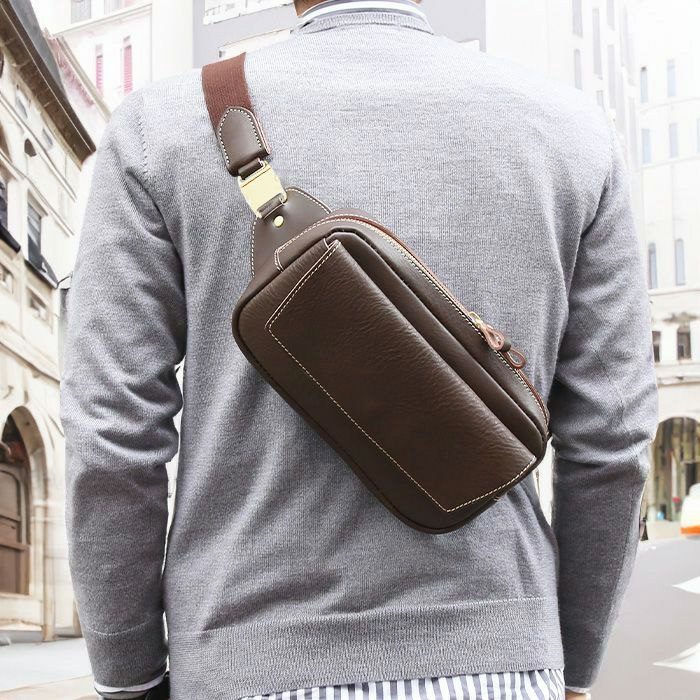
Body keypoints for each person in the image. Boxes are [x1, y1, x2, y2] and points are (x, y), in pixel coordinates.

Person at [59, 1, 659, 699]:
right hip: (506, 660)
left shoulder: (161, 126)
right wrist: (573, 666)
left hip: (244, 660)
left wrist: (128, 677)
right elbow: (614, 441)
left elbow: (111, 431)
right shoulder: (574, 132)